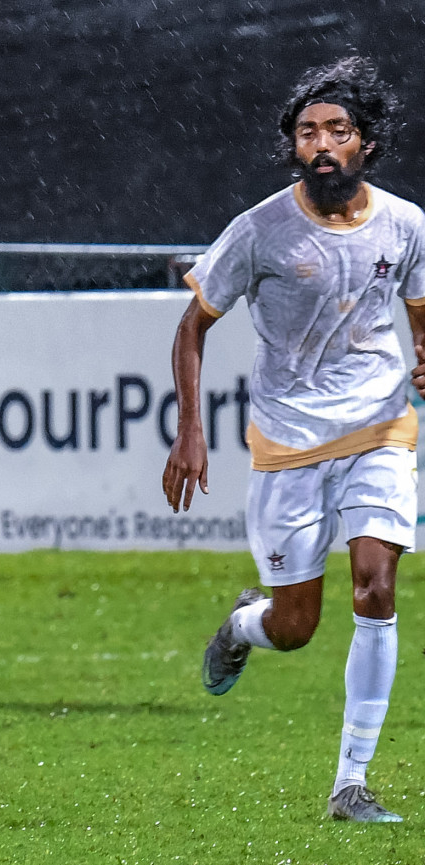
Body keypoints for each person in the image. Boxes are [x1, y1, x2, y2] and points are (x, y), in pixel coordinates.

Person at [163, 57, 425, 823]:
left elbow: (418, 311)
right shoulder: (260, 230)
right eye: (308, 131)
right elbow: (192, 326)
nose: (321, 144)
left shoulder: (407, 224)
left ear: (365, 144)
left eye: (337, 131)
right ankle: (245, 625)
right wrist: (190, 432)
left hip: (379, 427)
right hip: (289, 443)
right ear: (294, 146)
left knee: (377, 585)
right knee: (296, 625)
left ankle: (352, 781)